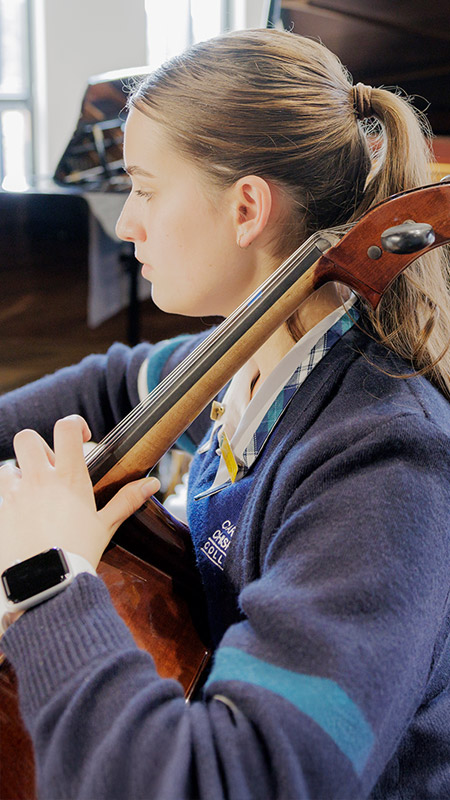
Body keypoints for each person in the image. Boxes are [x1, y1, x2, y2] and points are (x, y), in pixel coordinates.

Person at [0, 27, 449, 800]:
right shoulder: (247, 368)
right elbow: (111, 382)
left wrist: (46, 577)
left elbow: (228, 782)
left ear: (246, 207)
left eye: (144, 189)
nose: (126, 223)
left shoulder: (384, 468)